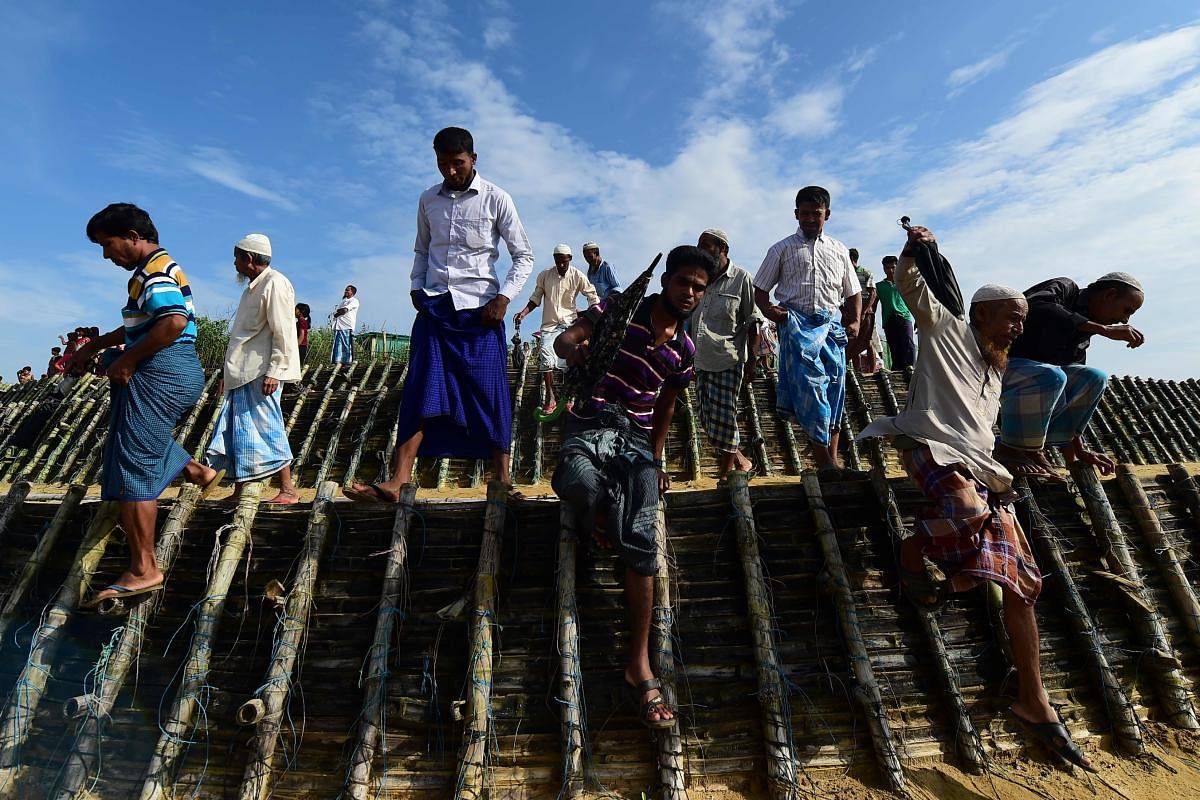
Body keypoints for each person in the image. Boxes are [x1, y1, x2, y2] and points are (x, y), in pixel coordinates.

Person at [859, 224, 1093, 771]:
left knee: (1023, 583)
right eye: (1010, 316)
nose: (1017, 325)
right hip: (928, 449)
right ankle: (917, 550)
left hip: (982, 472)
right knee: (966, 510)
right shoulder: (944, 329)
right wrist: (920, 249)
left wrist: (1028, 461)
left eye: (1023, 320)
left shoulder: (997, 368)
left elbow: (988, 437)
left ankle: (1034, 700)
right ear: (981, 312)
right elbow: (912, 285)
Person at [551, 244, 712, 730]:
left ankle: (638, 664)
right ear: (666, 281)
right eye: (684, 282)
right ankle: (599, 517)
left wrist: (656, 459)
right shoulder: (623, 309)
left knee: (642, 541)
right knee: (576, 481)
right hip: (589, 421)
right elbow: (569, 338)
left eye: (699, 288)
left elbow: (665, 407)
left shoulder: (683, 351)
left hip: (634, 440)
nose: (689, 293)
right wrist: (572, 347)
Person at [345, 126, 534, 502]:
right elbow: (421, 249)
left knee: (489, 390)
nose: (450, 171)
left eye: (458, 163)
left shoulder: (497, 199)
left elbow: (523, 256)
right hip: (435, 308)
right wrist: (416, 287)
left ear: (473, 159)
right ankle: (399, 480)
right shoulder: (427, 200)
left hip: (482, 312)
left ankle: (501, 481)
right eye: (443, 164)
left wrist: (505, 298)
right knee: (421, 388)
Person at [75, 203, 223, 608]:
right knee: (135, 440)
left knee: (134, 462)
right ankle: (198, 470)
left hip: (165, 369)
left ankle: (144, 569)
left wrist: (126, 361)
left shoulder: (154, 271)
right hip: (169, 368)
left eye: (108, 245)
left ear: (133, 236)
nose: (107, 255)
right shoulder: (151, 272)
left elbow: (173, 322)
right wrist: (99, 346)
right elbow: (141, 324)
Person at [753, 185, 862, 479]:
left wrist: (854, 322)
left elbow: (853, 292)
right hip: (797, 326)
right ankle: (824, 461)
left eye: (817, 213)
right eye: (805, 214)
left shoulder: (839, 250)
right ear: (796, 215)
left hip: (831, 327)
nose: (811, 219)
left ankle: (832, 463)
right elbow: (760, 290)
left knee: (835, 391)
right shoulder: (781, 249)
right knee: (811, 390)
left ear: (827, 214)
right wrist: (772, 312)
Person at [994, 273, 1145, 482]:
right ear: (1110, 294)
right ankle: (1013, 449)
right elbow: (1035, 306)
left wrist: (1079, 452)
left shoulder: (1084, 333)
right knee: (1052, 375)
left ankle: (1033, 446)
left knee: (1094, 378)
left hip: (1035, 386)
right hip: (997, 370)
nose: (1125, 320)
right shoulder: (1065, 289)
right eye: (1127, 310)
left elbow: (1075, 395)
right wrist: (1104, 330)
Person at [204, 233, 302, 506]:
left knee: (268, 427)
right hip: (242, 371)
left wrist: (275, 370)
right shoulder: (252, 288)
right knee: (241, 430)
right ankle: (241, 488)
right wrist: (227, 373)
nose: (234, 264)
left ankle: (288, 489)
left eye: (237, 258)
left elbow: (283, 330)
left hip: (260, 371)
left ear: (248, 258)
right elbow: (241, 337)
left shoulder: (275, 283)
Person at [692, 228, 761, 479]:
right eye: (699, 245)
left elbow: (753, 322)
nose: (701, 249)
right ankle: (743, 461)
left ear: (723, 249)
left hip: (728, 358)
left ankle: (725, 473)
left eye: (706, 245)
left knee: (725, 416)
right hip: (700, 358)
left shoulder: (742, 278)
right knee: (706, 417)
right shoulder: (699, 279)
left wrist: (752, 361)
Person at [513, 243, 599, 415]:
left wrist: (593, 317)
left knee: (571, 361)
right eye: (558, 262)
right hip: (549, 325)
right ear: (554, 259)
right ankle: (551, 398)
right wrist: (523, 313)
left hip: (569, 326)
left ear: (570, 260)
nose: (561, 265)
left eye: (564, 262)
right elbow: (535, 299)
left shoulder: (577, 275)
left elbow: (592, 295)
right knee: (546, 358)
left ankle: (569, 399)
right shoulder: (545, 275)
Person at [876, 256, 916, 369]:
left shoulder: (904, 283)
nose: (891, 270)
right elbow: (872, 305)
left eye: (893, 267)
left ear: (897, 267)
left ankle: (912, 369)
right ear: (884, 269)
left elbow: (914, 300)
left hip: (904, 317)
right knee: (894, 347)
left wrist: (918, 318)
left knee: (908, 344)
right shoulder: (879, 286)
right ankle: (898, 373)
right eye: (887, 268)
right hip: (889, 319)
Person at [849, 248, 882, 374]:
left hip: (866, 313)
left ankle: (872, 372)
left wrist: (864, 311)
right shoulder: (846, 274)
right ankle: (857, 372)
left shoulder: (866, 272)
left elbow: (873, 294)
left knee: (867, 341)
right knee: (853, 341)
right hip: (851, 312)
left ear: (852, 259)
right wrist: (844, 310)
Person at [331, 285, 358, 364]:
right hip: (339, 326)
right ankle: (337, 362)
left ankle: (347, 363)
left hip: (347, 326)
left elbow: (344, 310)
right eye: (345, 290)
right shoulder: (343, 301)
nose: (346, 291)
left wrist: (339, 311)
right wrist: (339, 311)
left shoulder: (354, 301)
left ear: (352, 292)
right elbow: (336, 313)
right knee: (338, 345)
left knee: (346, 345)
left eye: (348, 290)